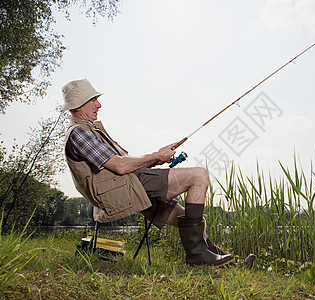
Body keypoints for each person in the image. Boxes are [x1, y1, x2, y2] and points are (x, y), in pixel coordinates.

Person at [62, 79, 234, 267]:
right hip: (123, 187)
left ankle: (221, 259)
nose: (99, 104)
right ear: (78, 105)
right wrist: (155, 156)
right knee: (198, 176)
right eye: (93, 99)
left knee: (183, 216)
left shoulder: (90, 129)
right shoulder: (79, 132)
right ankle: (198, 256)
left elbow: (122, 163)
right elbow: (120, 166)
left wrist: (157, 158)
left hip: (127, 183)